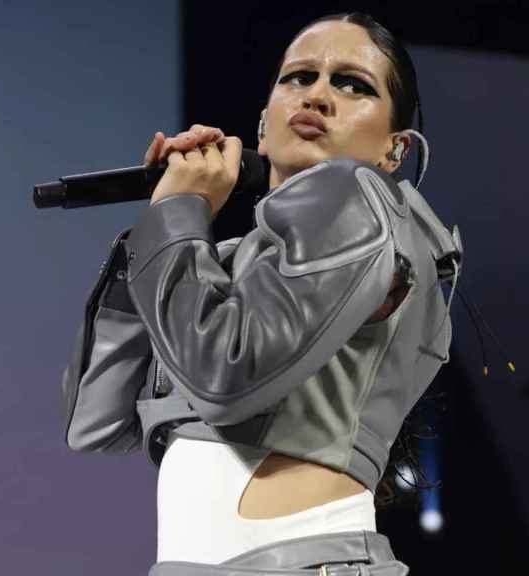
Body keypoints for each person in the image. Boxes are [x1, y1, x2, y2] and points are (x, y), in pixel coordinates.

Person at [61, 13, 461, 575]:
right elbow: (96, 422)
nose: (319, 95)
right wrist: (163, 225)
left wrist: (178, 215)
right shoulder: (218, 265)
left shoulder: (360, 194)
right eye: (299, 77)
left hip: (299, 564)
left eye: (354, 85)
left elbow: (227, 379)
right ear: (263, 126)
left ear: (394, 152)